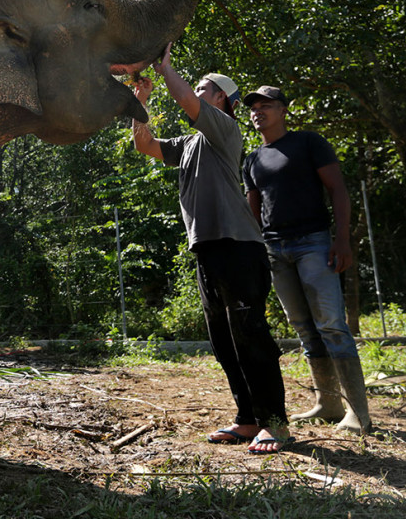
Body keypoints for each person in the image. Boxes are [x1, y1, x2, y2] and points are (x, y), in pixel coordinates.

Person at [129, 44, 291, 454]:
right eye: (197, 86)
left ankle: (275, 423)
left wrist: (165, 68)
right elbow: (145, 146)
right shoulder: (189, 143)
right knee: (224, 340)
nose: (196, 90)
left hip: (239, 247)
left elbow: (185, 100)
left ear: (222, 99)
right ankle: (247, 419)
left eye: (204, 87)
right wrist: (139, 104)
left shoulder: (224, 129)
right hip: (207, 248)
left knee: (250, 335)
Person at [242, 86, 371, 434]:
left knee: (330, 323)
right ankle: (327, 404)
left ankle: (358, 412)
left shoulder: (309, 142)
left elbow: (338, 189)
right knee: (302, 326)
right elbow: (254, 211)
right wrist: (254, 252)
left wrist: (341, 240)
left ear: (283, 110)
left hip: (313, 242)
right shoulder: (252, 160)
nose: (257, 112)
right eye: (253, 107)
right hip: (275, 249)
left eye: (265, 106)